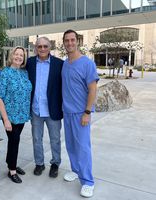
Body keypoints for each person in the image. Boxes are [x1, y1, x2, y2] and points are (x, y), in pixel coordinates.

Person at [61, 29, 99, 198]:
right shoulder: (65, 63)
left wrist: (87, 112)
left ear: (78, 42)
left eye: (72, 40)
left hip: (81, 113)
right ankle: (76, 170)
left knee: (83, 147)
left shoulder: (87, 63)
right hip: (67, 112)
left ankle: (88, 181)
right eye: (66, 40)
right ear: (63, 43)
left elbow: (92, 89)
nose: (69, 43)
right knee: (71, 146)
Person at [26, 37, 64, 178]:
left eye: (45, 46)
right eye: (39, 46)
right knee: (36, 138)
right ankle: (39, 163)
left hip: (52, 109)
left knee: (55, 139)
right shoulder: (29, 63)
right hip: (36, 109)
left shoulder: (59, 64)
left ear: (50, 47)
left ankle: (55, 163)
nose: (42, 49)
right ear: (36, 48)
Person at [0, 46, 32, 183]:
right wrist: (5, 119)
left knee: (14, 141)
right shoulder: (5, 73)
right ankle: (12, 170)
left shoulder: (24, 73)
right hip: (10, 116)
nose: (18, 57)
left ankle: (11, 162)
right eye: (16, 54)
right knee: (14, 141)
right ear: (12, 56)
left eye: (21, 55)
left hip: (22, 115)